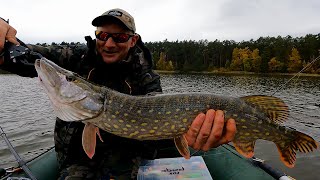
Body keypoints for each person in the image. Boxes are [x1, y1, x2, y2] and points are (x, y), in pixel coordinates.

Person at [0, 8, 236, 179]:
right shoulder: (77, 57)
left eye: (120, 37)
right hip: (77, 160)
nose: (109, 43)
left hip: (127, 159)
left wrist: (196, 132)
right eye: (103, 35)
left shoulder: (146, 78)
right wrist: (6, 40)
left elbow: (164, 123)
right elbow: (28, 58)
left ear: (133, 41)